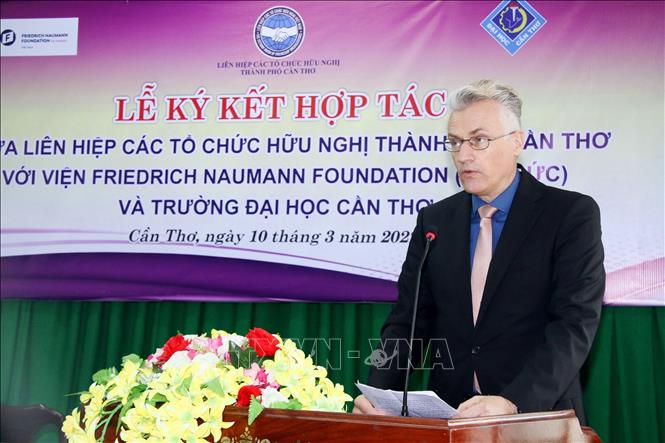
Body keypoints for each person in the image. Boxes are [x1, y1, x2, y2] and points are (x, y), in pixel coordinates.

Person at [353, 80, 605, 423]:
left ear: (517, 142)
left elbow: (573, 325)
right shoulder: (435, 221)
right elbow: (407, 324)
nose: (463, 154)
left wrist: (513, 400)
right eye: (455, 142)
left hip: (536, 416)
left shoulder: (568, 215)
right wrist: (378, 393)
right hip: (449, 417)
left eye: (479, 140)